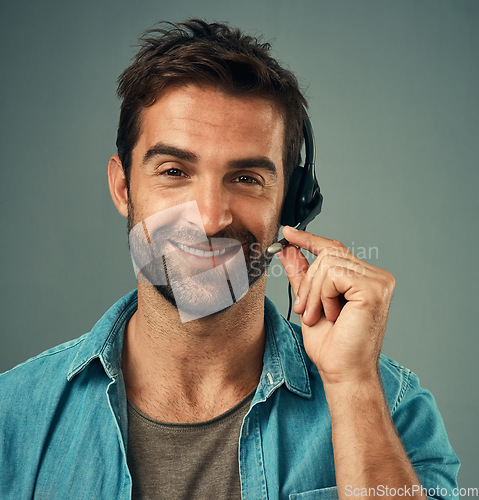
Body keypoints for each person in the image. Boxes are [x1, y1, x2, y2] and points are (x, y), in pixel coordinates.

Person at [0, 19, 459, 500]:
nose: (211, 218)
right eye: (174, 171)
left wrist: (352, 385)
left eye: (246, 179)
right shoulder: (12, 417)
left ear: (291, 205)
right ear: (123, 187)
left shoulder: (392, 408)